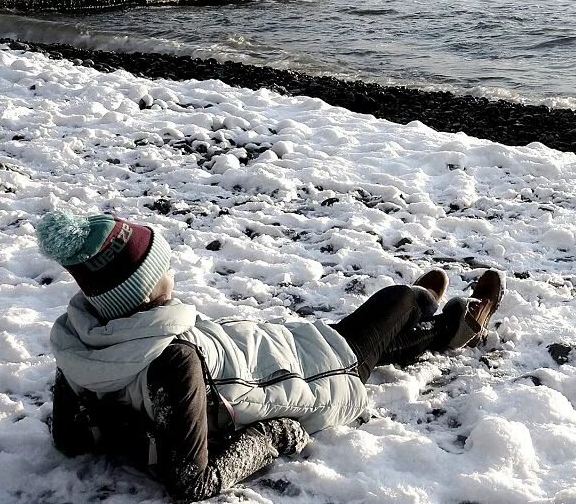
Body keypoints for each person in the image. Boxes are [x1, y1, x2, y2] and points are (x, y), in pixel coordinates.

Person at [39, 211, 505, 502]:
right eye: (162, 270)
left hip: (271, 353)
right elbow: (192, 483)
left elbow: (69, 440)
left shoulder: (83, 343)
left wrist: (125, 431)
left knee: (382, 338)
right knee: (394, 301)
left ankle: (447, 327)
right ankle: (426, 304)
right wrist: (278, 434)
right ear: (142, 293)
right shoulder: (170, 360)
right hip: (319, 374)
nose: (171, 275)